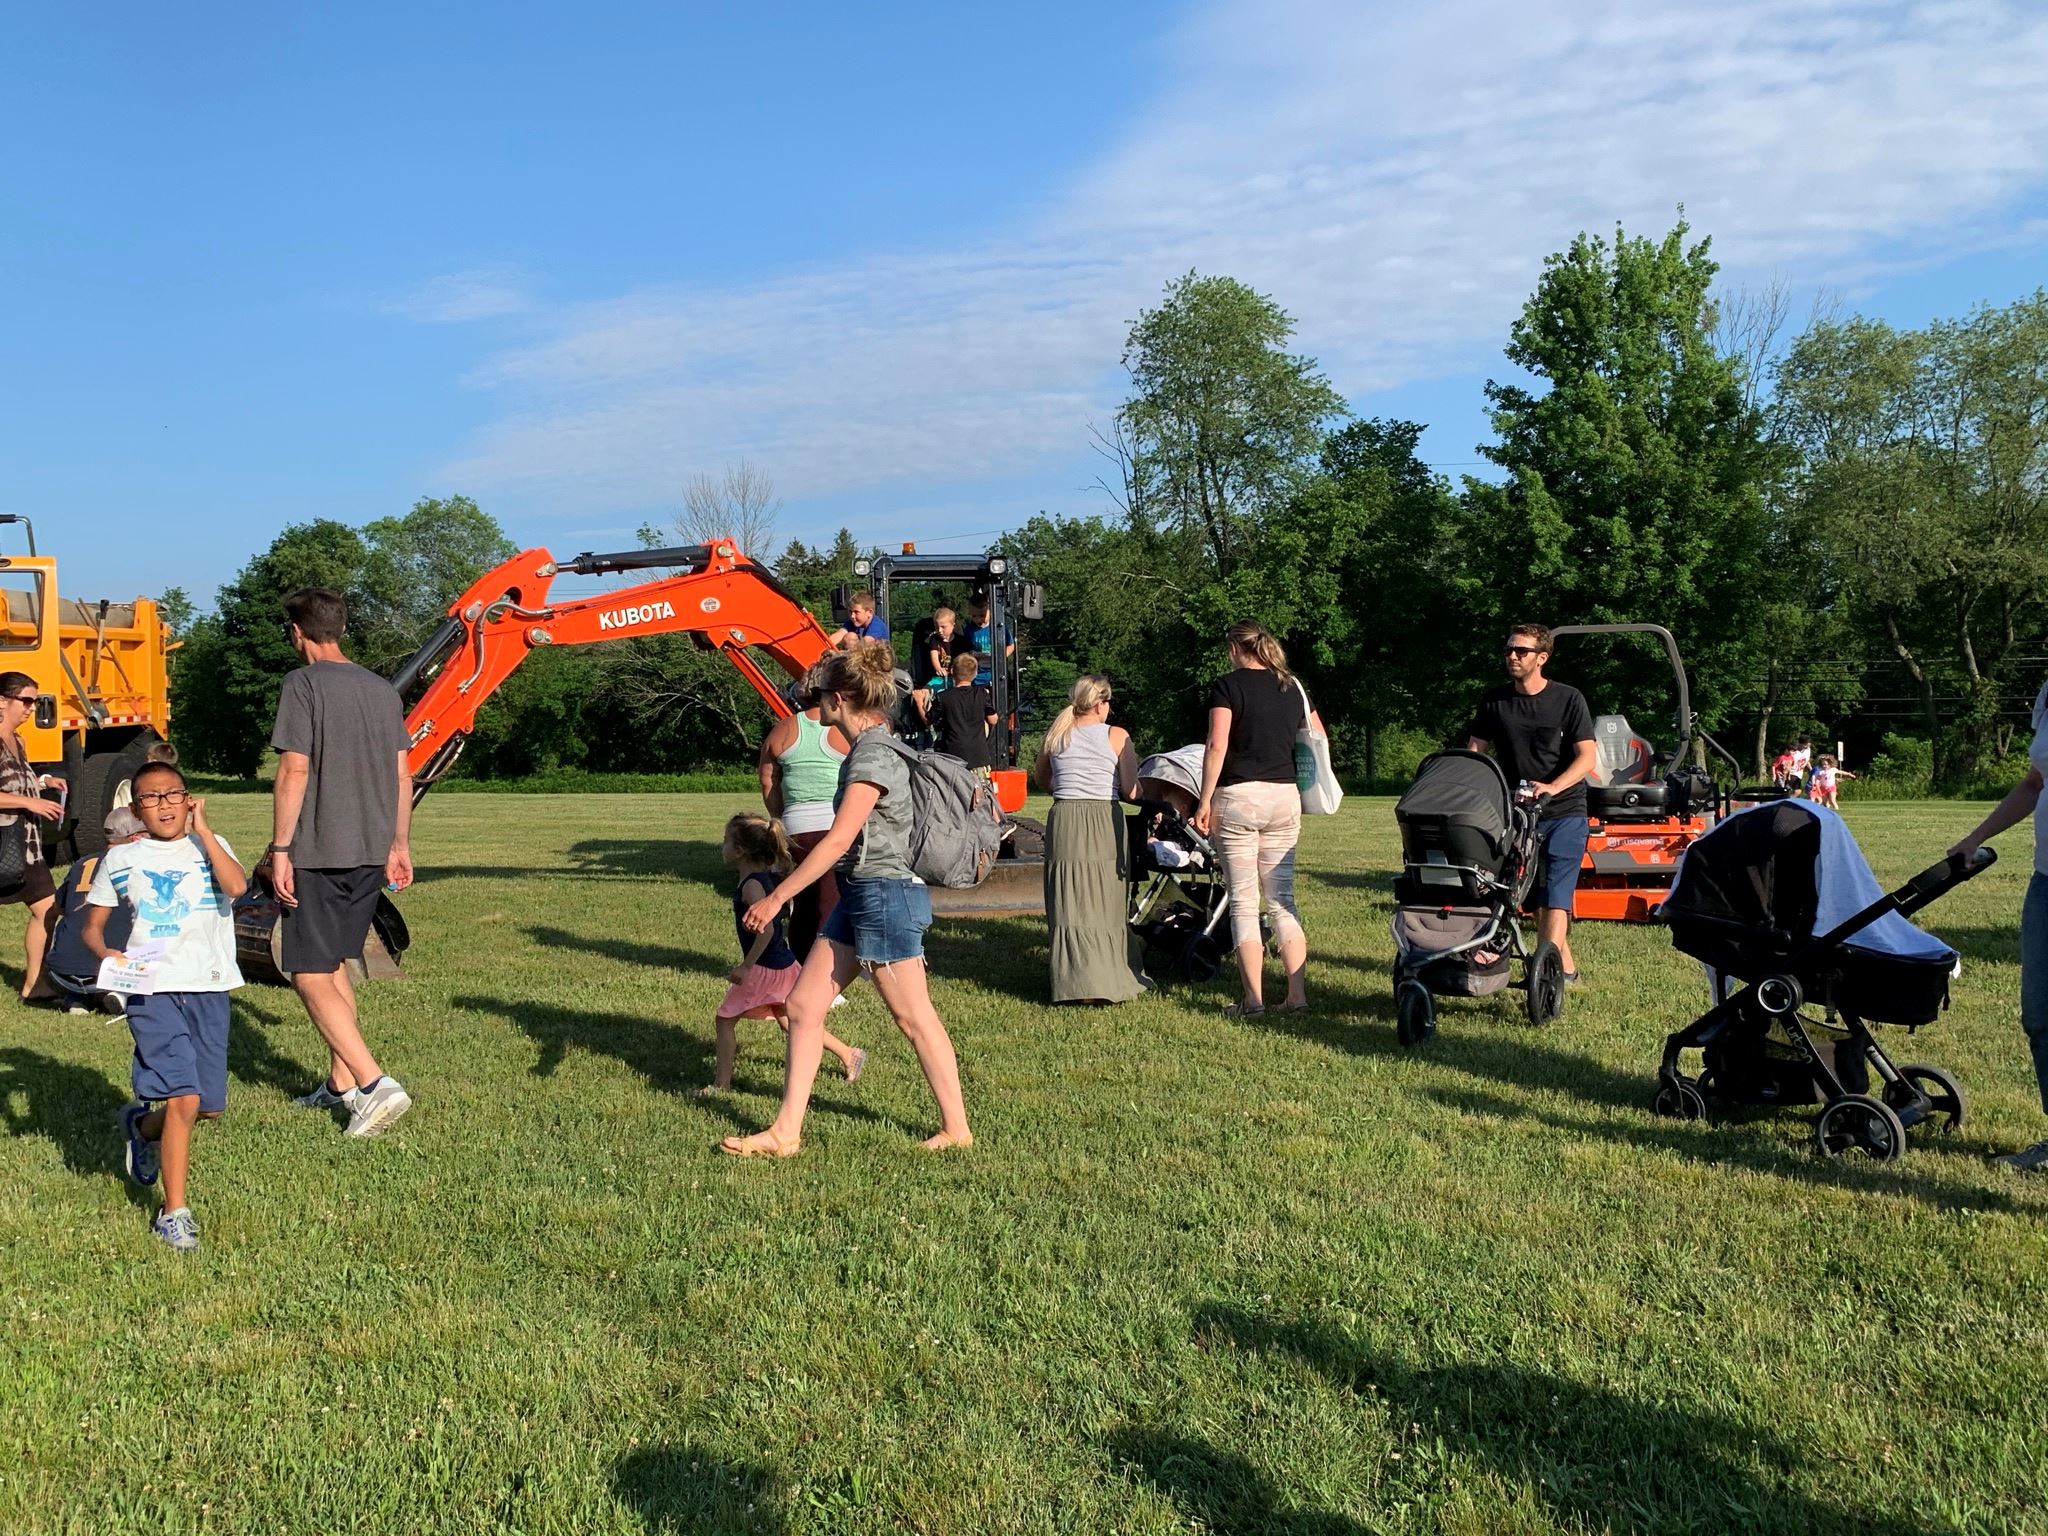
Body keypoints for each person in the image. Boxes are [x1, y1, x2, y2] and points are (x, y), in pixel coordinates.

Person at [722, 639, 971, 1157]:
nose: (815, 708)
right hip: (859, 895)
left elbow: (838, 839)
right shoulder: (868, 746)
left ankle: (956, 1129)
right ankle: (786, 1132)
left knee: (912, 1016)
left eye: (820, 699)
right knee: (804, 1005)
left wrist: (775, 899)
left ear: (838, 701)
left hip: (885, 895)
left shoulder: (874, 753)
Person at [80, 762, 246, 1253]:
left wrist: (206, 832)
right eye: (152, 798)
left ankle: (141, 1128)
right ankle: (173, 1212)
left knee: (207, 1107)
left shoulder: (211, 847)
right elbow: (92, 926)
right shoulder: (120, 859)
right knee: (184, 1099)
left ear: (189, 799)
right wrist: (105, 953)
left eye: (173, 794)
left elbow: (236, 888)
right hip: (151, 989)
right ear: (136, 810)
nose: (164, 805)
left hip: (209, 986)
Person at [267, 587, 414, 1139]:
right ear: (342, 630)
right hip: (370, 851)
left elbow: (294, 771)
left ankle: (375, 1085)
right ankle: (341, 1084)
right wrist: (398, 844)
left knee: (307, 972)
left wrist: (281, 849)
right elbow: (403, 774)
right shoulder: (381, 690)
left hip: (319, 852)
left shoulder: (300, 685)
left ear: (297, 633)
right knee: (332, 965)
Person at [1194, 622, 1322, 1017]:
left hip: (1239, 797)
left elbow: (1217, 745)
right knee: (1282, 899)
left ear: (1236, 647)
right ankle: (1296, 997)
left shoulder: (1227, 687)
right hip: (1284, 796)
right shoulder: (1292, 686)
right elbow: (1317, 736)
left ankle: (1253, 1000)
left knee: (1245, 904)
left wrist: (1204, 799)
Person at [1949, 676, 2048, 1172]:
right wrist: (1976, 836)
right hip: (2047, 881)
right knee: (2040, 1014)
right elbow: (2035, 783)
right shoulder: (2046, 693)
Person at [1467, 622, 1599, 985]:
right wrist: (1480, 789)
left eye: (1520, 651)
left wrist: (1553, 787)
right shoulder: (1495, 700)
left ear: (1542, 658)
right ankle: (1565, 969)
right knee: (1520, 892)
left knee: (1554, 897)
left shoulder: (1568, 698)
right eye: (1509, 649)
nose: (1511, 656)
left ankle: (1546, 977)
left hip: (1564, 811)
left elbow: (1587, 757)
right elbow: (1476, 749)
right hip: (1514, 813)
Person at [701, 812, 863, 1097]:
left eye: (725, 841)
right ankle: (849, 1054)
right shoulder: (763, 879)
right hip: (782, 964)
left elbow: (764, 931)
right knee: (790, 1021)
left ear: (739, 851)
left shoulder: (752, 885)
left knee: (724, 1020)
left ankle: (720, 1085)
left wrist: (746, 966)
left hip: (765, 968)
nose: (721, 846)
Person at [1033, 675, 1145, 1005]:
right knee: (1104, 899)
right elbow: (1130, 790)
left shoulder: (1056, 734)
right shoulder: (1116, 735)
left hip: (1065, 818)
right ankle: (1105, 977)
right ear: (1100, 704)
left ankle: (1071, 982)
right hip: (1102, 821)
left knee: (1068, 899)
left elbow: (1042, 779)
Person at [758, 662, 851, 961]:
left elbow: (767, 778)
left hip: (796, 826)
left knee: (802, 902)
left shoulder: (783, 728)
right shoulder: (840, 729)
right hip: (832, 825)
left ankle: (797, 963)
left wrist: (783, 814)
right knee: (829, 902)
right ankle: (824, 974)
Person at [0, 670, 66, 1002]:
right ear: (2, 701)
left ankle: (34, 984)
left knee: (48, 910)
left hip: (27, 848)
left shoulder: (19, 741)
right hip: (3, 845)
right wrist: (29, 802)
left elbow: (17, 779)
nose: (31, 708)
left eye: (34, 701)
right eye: (25, 700)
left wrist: (46, 782)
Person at [45, 805, 145, 1012]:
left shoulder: (84, 862)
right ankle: (121, 993)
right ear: (137, 838)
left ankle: (77, 998)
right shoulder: (139, 865)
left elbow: (60, 908)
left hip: (61, 973)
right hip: (106, 970)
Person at [932, 651, 996, 770]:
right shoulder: (982, 694)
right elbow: (993, 720)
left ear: (952, 671)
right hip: (979, 756)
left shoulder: (943, 697)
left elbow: (929, 720)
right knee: (979, 787)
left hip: (952, 757)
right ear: (975, 673)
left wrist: (919, 701)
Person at [111, 739, 180, 810]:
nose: (147, 762)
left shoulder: (150, 783)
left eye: (149, 759)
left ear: (155, 762)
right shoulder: (176, 781)